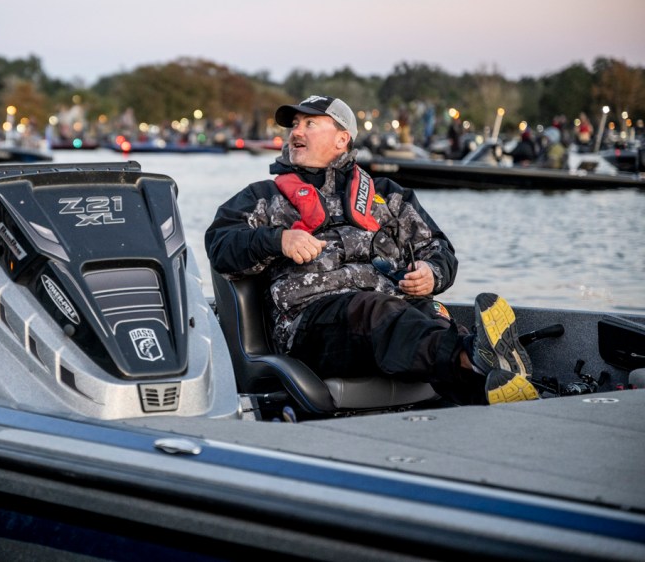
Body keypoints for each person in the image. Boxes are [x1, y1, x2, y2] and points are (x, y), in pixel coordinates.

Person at [205, 95, 538, 406]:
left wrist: (430, 273)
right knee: (374, 310)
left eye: (309, 124)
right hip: (308, 326)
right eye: (294, 125)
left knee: (431, 313)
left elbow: (439, 249)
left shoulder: (389, 195)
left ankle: (496, 383)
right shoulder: (262, 198)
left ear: (342, 139)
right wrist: (278, 240)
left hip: (390, 312)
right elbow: (219, 244)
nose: (295, 132)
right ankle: (473, 358)